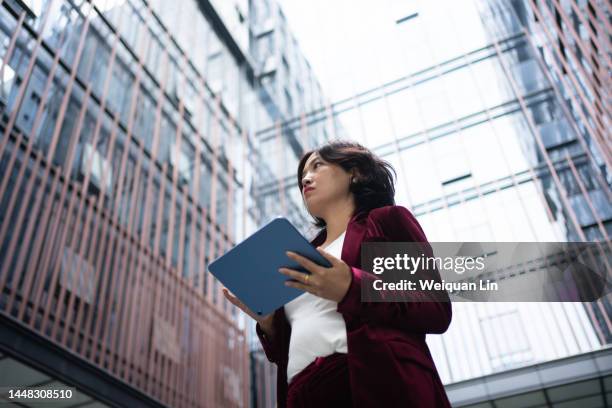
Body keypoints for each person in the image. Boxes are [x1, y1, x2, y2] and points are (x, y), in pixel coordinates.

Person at [223, 140, 453, 407]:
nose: (306, 179)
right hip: (302, 393)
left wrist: (351, 286)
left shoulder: (384, 222)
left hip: (374, 383)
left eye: (317, 166)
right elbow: (298, 338)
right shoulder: (299, 256)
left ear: (356, 172)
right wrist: (269, 325)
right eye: (301, 178)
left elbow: (433, 307)